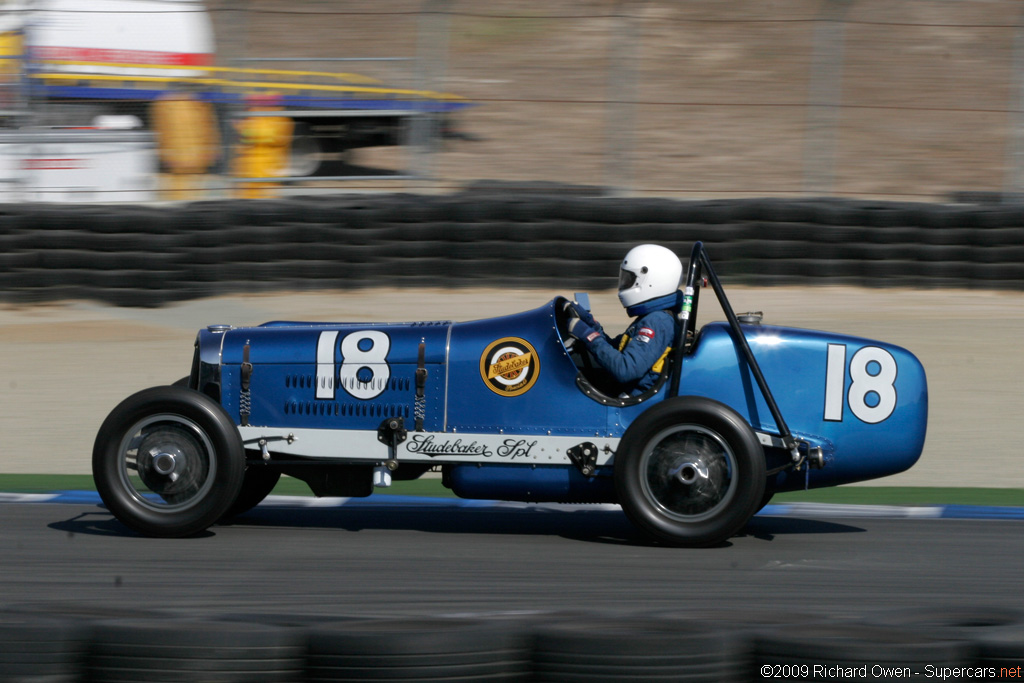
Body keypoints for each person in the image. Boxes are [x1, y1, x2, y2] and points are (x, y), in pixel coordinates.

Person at [566, 244, 684, 397]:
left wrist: (589, 337)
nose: (625, 285)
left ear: (652, 281)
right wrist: (592, 326)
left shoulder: (657, 321)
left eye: (630, 280)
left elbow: (625, 370)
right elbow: (616, 350)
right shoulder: (653, 317)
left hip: (632, 398)